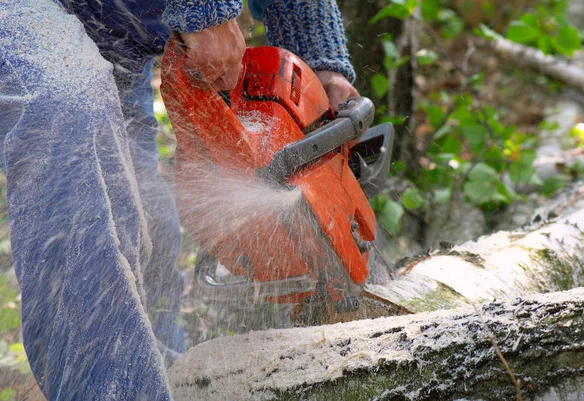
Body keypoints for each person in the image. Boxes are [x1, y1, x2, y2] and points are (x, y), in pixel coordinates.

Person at [0, 0, 359, 399]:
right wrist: (204, 9)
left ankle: (174, 383)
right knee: (68, 115)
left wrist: (317, 58)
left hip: (117, 33)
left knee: (147, 226)